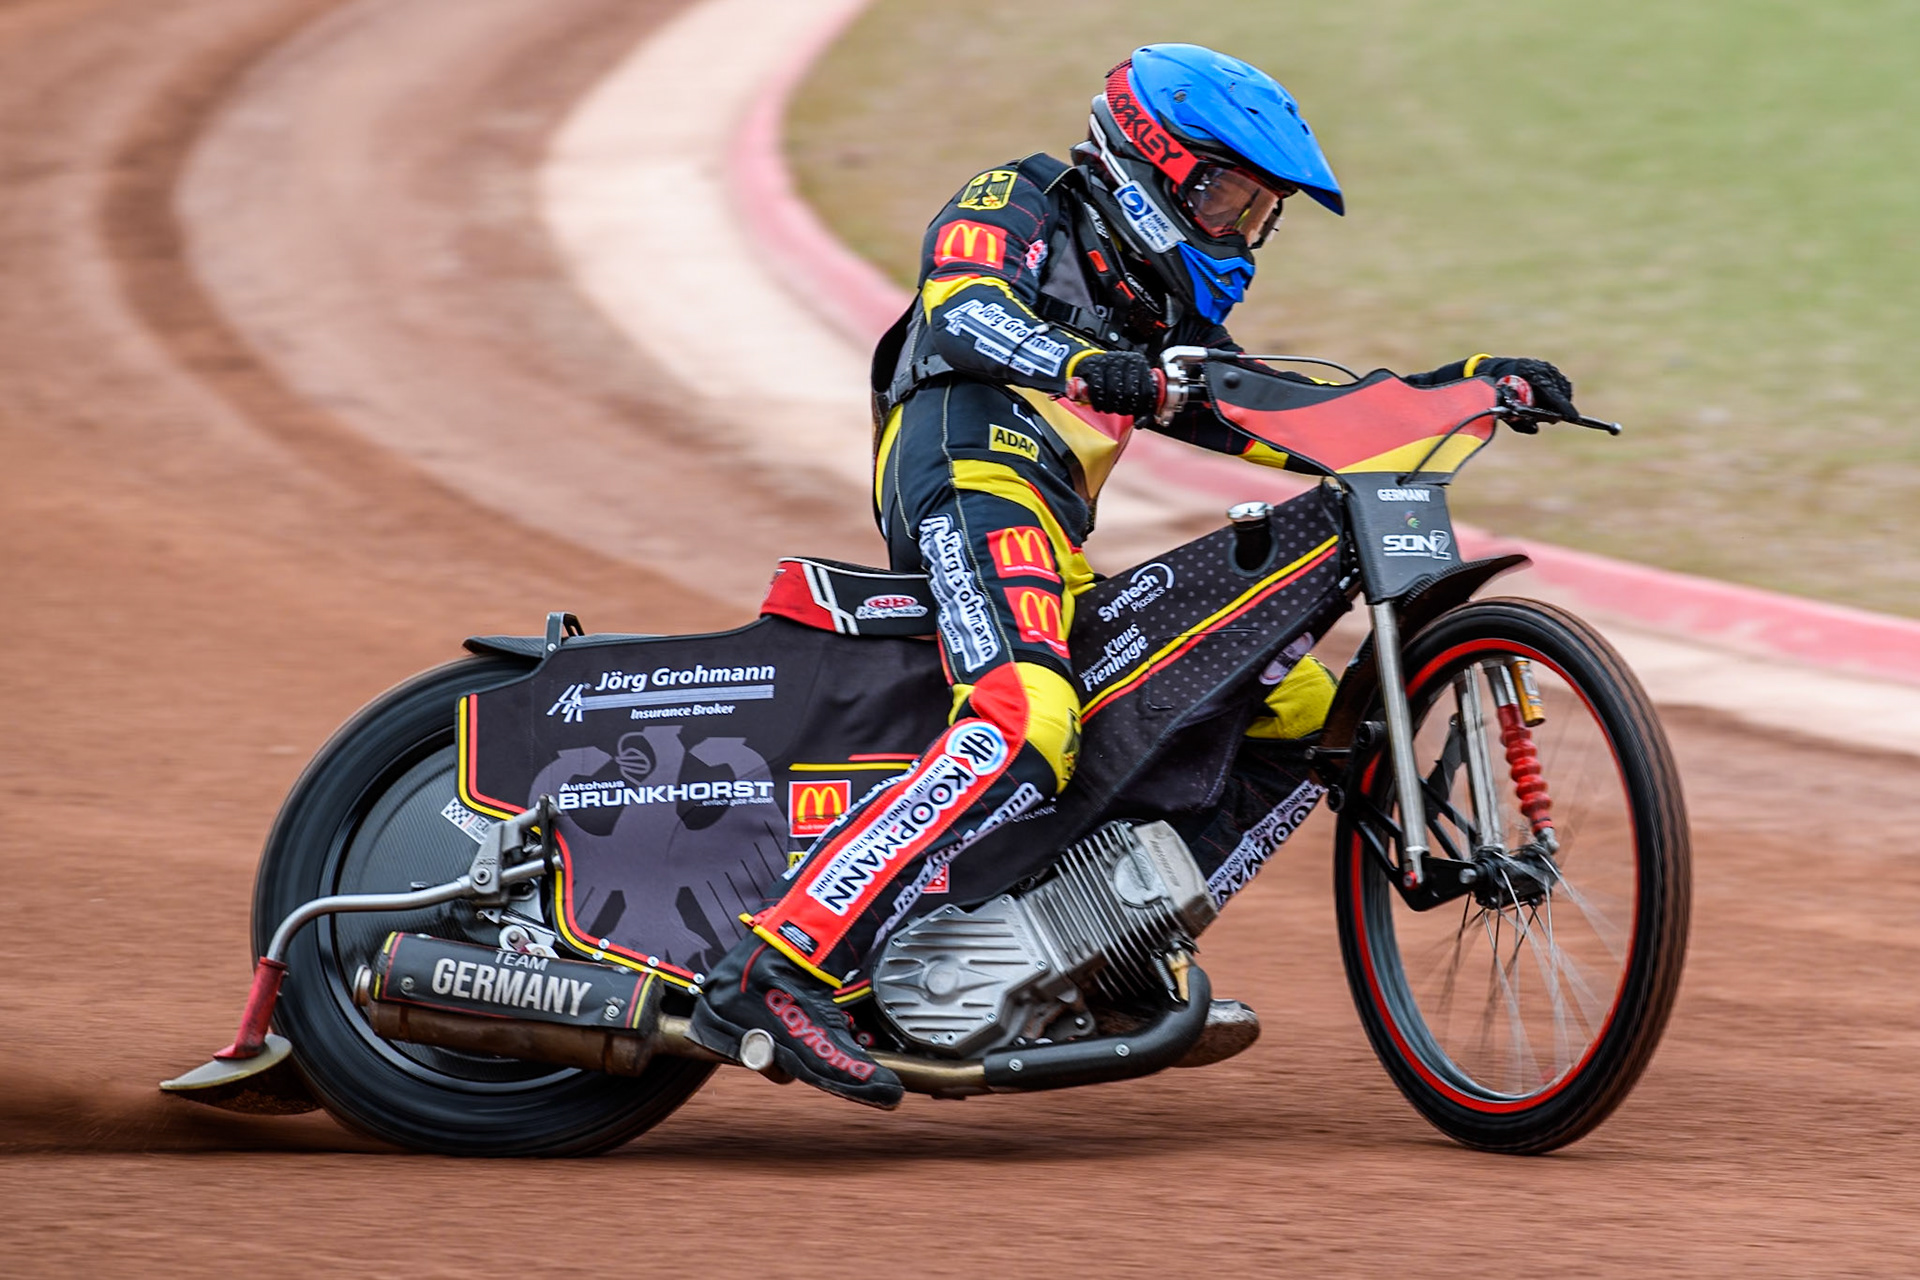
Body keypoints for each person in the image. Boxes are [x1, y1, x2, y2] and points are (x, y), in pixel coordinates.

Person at [690, 43, 1579, 1107]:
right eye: (1226, 199)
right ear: (1149, 164)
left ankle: (1108, 942)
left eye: (1259, 213)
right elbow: (963, 308)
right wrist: (1082, 362)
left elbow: (1268, 409)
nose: (1237, 232)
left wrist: (1461, 389)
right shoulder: (1015, 199)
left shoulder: (1161, 313)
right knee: (1026, 717)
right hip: (969, 478)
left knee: (1298, 708)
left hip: (1052, 537)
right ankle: (776, 966)